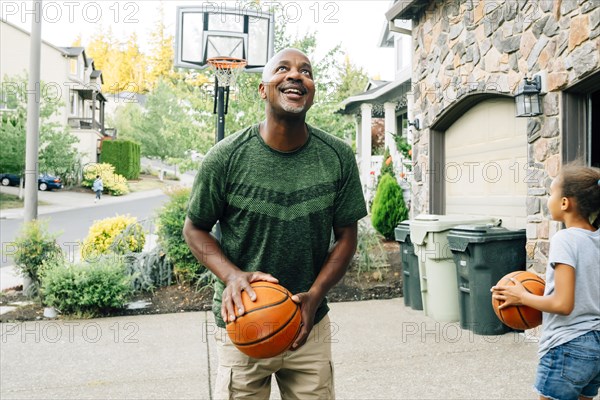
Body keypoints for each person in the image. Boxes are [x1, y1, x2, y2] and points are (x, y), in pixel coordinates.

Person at [183, 48, 367, 399]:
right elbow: (194, 229)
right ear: (263, 89)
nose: (296, 75)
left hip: (309, 324)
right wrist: (232, 276)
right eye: (282, 68)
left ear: (311, 90)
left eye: (305, 71)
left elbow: (346, 237)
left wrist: (314, 297)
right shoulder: (225, 157)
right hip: (243, 321)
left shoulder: (337, 156)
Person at [492, 163, 600, 400]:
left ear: (565, 203)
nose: (548, 198)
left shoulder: (565, 238)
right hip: (595, 347)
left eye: (552, 192)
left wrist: (521, 296)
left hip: (567, 346)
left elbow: (563, 304)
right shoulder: (596, 238)